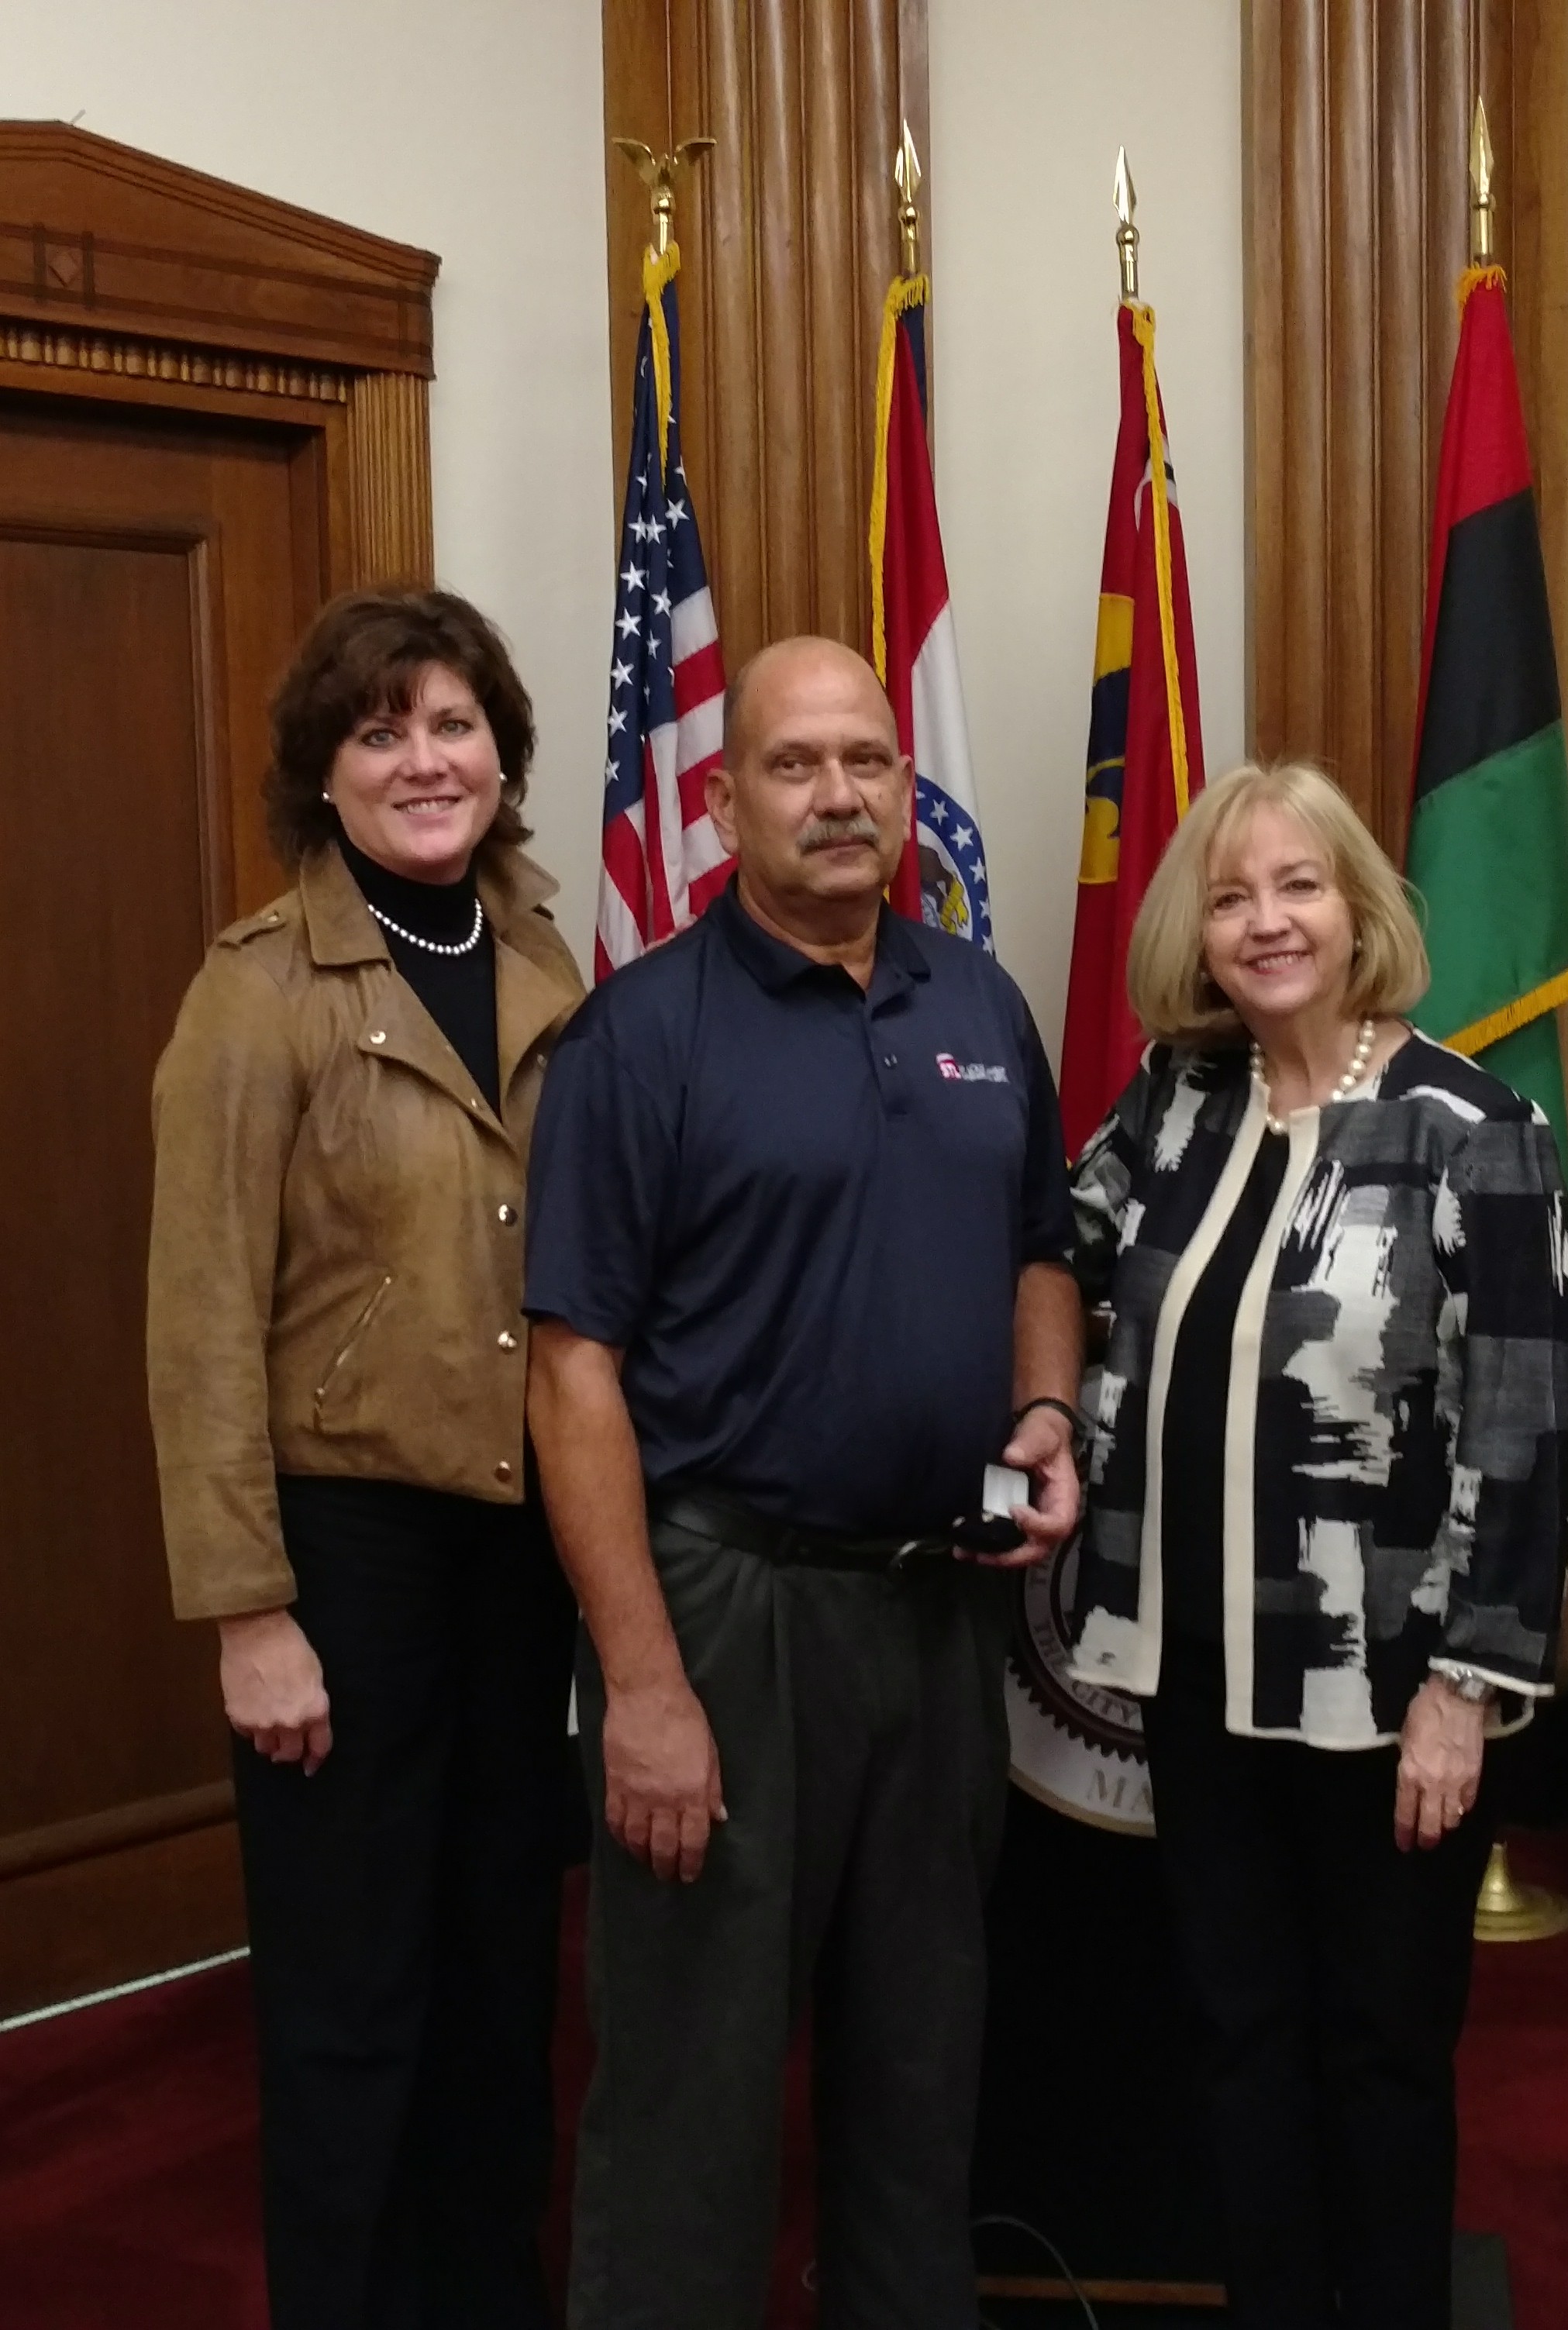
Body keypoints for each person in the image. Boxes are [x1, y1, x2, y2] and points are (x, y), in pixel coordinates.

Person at [523, 636, 1083, 2330]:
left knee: (922, 2077)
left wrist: (1046, 1410)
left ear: (905, 791)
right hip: (724, 1616)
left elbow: (1041, 1251)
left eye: (867, 761)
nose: (838, 796)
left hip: (934, 1620)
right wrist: (639, 1686)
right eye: (794, 764)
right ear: (720, 799)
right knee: (690, 2093)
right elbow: (570, 1373)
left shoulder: (975, 1002)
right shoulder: (641, 1035)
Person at [1066, 759, 1568, 2330]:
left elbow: (1521, 1426)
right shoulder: (1171, 1099)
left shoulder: (1469, 1124)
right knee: (1233, 2035)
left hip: (1383, 1689)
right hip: (1194, 1662)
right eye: (1230, 895)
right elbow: (1053, 1266)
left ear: (1359, 911)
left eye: (1297, 887)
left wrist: (1468, 1688)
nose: (1265, 921)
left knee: (1377, 2051)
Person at [146, 588, 586, 2330]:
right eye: (380, 730)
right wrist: (251, 1613)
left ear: (502, 751)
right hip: (342, 1560)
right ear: (321, 776)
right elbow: (195, 1328)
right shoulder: (257, 993)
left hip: (520, 1548)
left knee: (497, 1975)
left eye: (454, 722)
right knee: (350, 1994)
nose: (425, 758)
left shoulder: (552, 954)